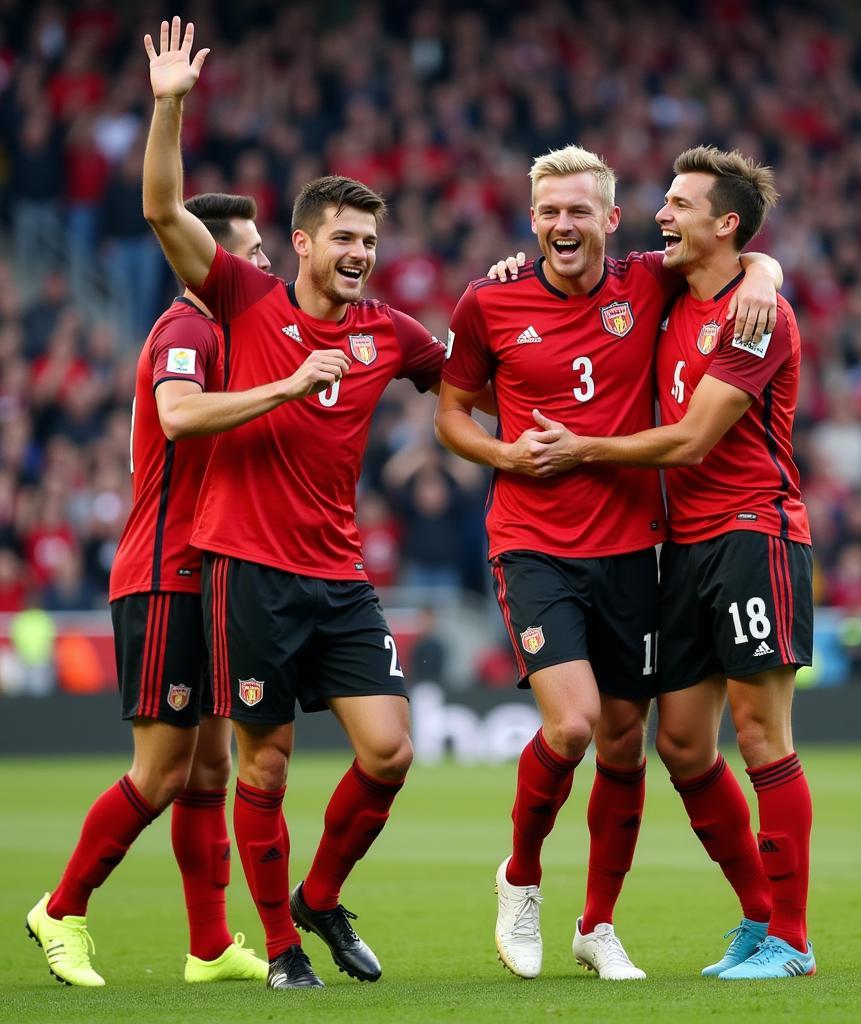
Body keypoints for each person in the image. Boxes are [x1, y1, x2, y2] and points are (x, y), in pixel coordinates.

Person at [141, 18, 450, 990]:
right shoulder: (241, 297)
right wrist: (171, 104)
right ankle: (279, 948)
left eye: (370, 239)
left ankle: (319, 896)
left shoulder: (388, 332)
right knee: (264, 764)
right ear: (304, 241)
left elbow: (471, 374)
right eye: (344, 237)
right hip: (248, 570)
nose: (359, 252)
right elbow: (161, 210)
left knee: (390, 751)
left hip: (338, 574)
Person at [436, 144, 780, 981]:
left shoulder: (647, 282)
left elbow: (730, 255)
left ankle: (598, 924)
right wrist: (506, 458)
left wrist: (767, 272)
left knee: (626, 747)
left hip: (633, 551)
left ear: (610, 220)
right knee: (575, 725)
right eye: (549, 212)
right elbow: (450, 413)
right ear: (531, 219)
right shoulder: (488, 300)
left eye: (579, 211)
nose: (563, 225)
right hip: (533, 544)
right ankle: (520, 877)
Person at [24, 189, 353, 987]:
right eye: (251, 255)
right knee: (162, 772)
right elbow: (176, 417)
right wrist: (287, 388)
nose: (264, 268)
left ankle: (208, 947)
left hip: (214, 572)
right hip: (165, 573)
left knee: (210, 771)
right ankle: (62, 910)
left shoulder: (233, 333)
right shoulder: (187, 327)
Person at [516, 145, 816, 980]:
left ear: (723, 223)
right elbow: (571, 256)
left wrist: (582, 449)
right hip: (681, 548)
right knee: (683, 746)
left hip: (754, 534)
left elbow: (689, 440)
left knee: (761, 734)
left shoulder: (760, 317)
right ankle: (759, 918)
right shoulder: (673, 288)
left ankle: (791, 939)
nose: (661, 215)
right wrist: (763, 263)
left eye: (679, 204)